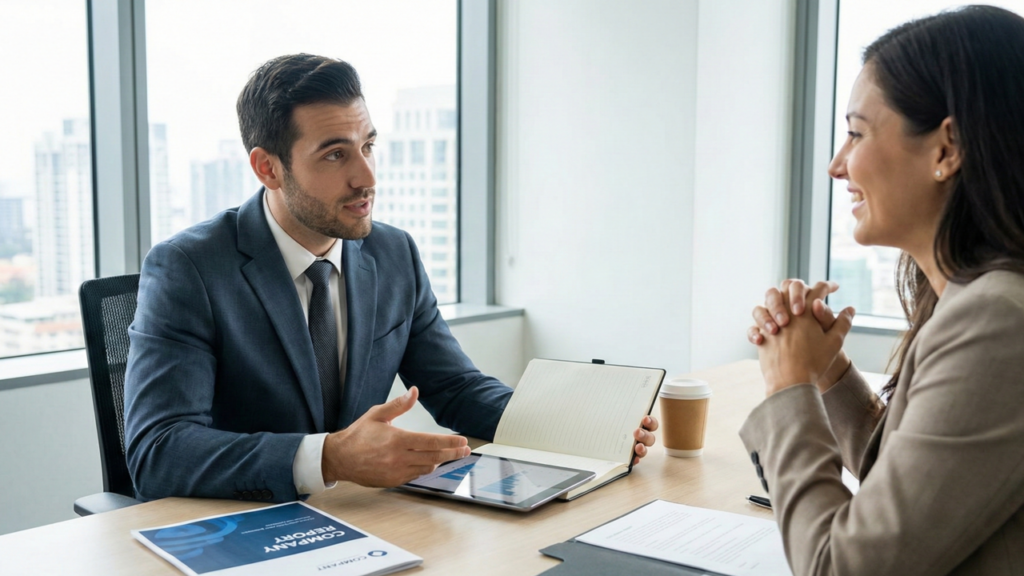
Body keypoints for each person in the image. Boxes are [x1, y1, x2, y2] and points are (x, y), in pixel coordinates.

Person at [124, 54, 658, 504]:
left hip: (363, 519)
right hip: (244, 529)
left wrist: (579, 426)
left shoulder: (392, 252)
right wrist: (328, 456)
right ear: (268, 168)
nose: (367, 178)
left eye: (368, 146)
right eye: (335, 154)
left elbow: (456, 389)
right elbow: (159, 451)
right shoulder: (188, 268)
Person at [741, 6, 1024, 575]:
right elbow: (920, 490)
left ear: (946, 149)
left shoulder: (997, 320)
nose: (836, 165)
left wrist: (788, 386)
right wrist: (828, 373)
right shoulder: (976, 300)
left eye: (855, 133)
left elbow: (839, 568)